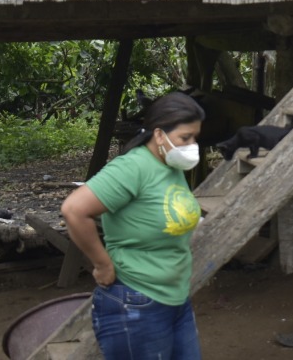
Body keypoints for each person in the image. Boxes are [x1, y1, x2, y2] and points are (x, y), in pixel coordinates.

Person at [61, 92, 206, 360]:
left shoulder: (171, 166)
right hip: (136, 302)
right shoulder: (132, 167)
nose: (192, 145)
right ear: (159, 135)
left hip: (176, 300)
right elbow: (74, 210)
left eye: (195, 137)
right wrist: (102, 265)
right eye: (185, 138)